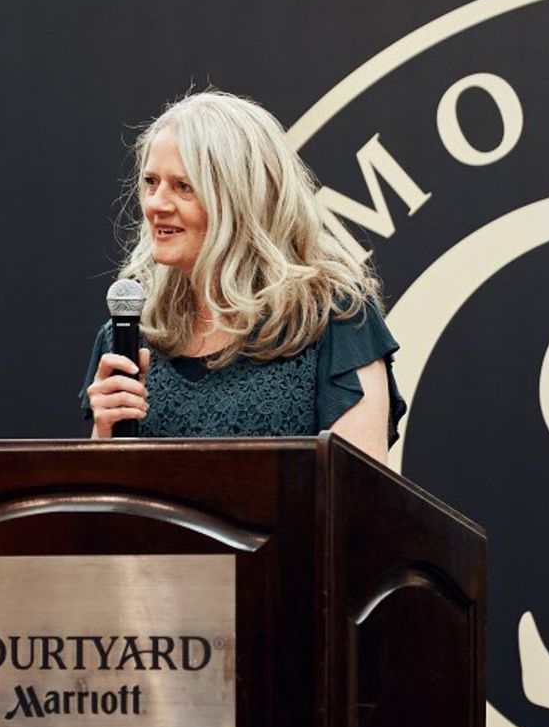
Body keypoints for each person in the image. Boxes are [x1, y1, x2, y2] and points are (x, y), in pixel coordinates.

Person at [81, 89, 406, 462]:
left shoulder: (333, 318)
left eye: (183, 187)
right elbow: (106, 504)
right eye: (151, 183)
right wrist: (104, 433)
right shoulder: (130, 332)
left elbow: (359, 500)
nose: (156, 204)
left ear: (240, 199)